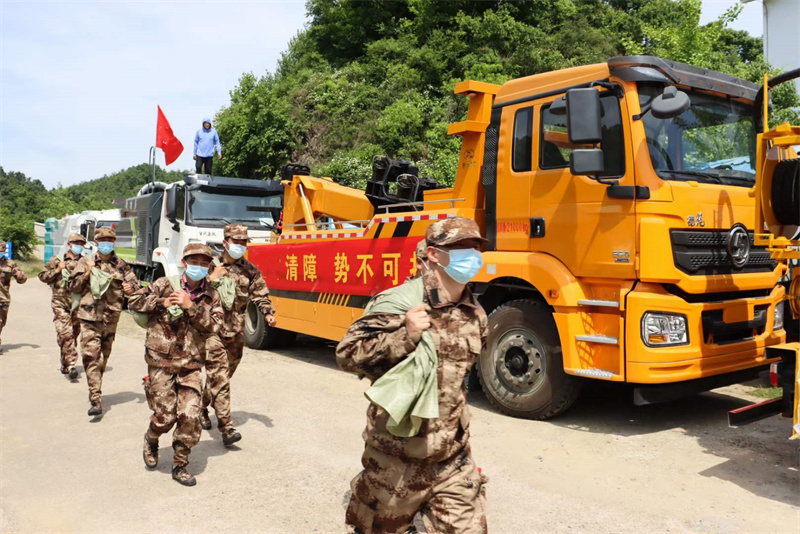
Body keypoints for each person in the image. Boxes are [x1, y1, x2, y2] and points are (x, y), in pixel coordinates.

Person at [336, 217, 490, 534]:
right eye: (460, 248)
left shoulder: (475, 312)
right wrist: (405, 336)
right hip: (395, 461)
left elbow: (459, 380)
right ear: (433, 254)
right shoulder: (399, 303)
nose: (471, 255)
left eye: (475, 247)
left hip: (452, 460)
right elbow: (348, 355)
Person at [129, 243, 223, 487]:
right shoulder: (164, 284)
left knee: (190, 415)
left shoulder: (212, 295)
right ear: (184, 263)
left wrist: (191, 307)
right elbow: (134, 302)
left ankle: (180, 464)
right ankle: (151, 437)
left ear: (209, 267)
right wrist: (162, 302)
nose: (198, 267)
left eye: (204, 263)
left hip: (191, 363)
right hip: (161, 360)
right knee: (165, 416)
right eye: (194, 262)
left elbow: (214, 327)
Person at [201, 223, 276, 445]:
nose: (241, 247)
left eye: (244, 243)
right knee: (221, 379)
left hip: (235, 334)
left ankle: (202, 406)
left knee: (220, 378)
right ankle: (226, 429)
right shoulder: (208, 266)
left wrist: (268, 312)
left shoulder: (250, 271)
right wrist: (211, 279)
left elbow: (260, 294)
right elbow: (191, 292)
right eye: (237, 243)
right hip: (211, 332)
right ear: (225, 243)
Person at [69, 227, 138, 416]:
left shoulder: (121, 265)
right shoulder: (85, 262)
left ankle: (95, 387)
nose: (107, 242)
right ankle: (96, 399)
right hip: (89, 317)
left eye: (110, 239)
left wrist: (129, 287)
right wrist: (87, 273)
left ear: (114, 242)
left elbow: (136, 286)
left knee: (103, 359)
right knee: (91, 356)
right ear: (96, 242)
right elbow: (73, 287)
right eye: (103, 239)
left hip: (111, 318)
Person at [38, 234, 87, 379]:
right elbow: (42, 276)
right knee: (66, 334)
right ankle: (72, 365)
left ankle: (65, 362)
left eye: (81, 243)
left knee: (72, 336)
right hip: (60, 304)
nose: (79, 245)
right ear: (69, 244)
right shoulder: (56, 260)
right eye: (76, 243)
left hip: (78, 305)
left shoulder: (86, 262)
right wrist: (57, 270)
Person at [0, 240, 28, 353]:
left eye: (2, 250)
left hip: (3, 297)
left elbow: (22, 279)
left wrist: (21, 277)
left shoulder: (10, 264)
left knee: (1, 322)